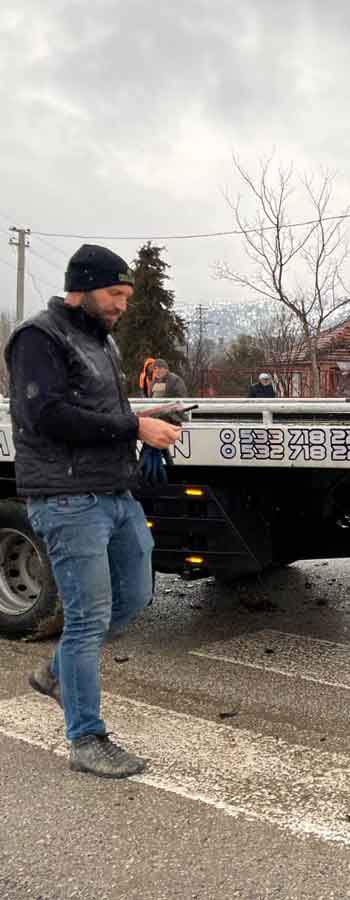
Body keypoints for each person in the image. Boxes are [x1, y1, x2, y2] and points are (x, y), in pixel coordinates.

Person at [4, 243, 181, 779]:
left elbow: (101, 410)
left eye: (127, 296)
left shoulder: (101, 341)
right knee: (86, 618)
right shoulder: (39, 336)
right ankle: (86, 738)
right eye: (115, 293)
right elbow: (46, 414)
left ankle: (57, 675)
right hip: (65, 496)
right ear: (80, 287)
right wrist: (134, 427)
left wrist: (143, 415)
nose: (122, 305)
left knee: (135, 594)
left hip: (112, 490)